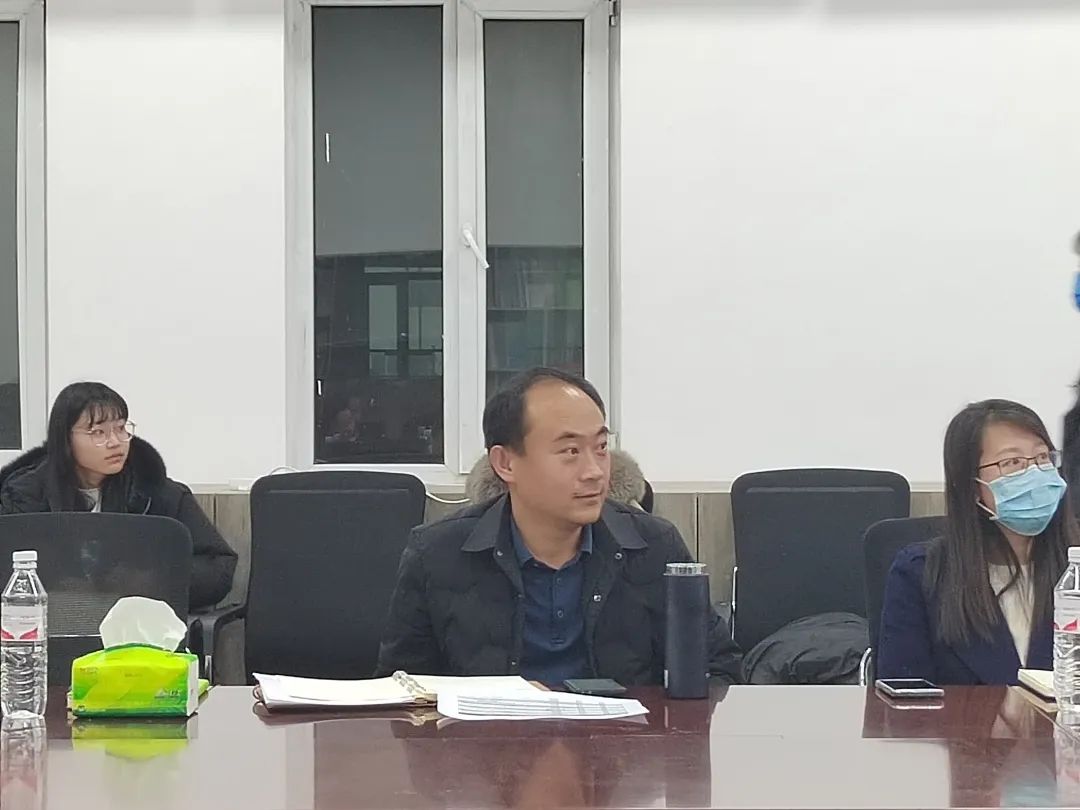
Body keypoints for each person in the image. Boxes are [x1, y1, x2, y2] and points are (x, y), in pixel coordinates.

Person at [375, 367, 741, 685]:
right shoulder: (437, 555)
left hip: (623, 742)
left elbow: (718, 670)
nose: (594, 471)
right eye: (570, 452)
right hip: (489, 743)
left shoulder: (654, 546)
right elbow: (403, 689)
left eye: (601, 448)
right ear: (505, 463)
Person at [877, 399, 1078, 685]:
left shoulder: (1074, 570)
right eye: (1013, 463)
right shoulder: (921, 574)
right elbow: (903, 698)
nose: (1035, 474)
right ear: (971, 485)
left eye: (1042, 458)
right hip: (959, 717)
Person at [0, 381, 238, 609]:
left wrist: (151, 582)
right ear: (65, 440)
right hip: (48, 623)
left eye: (121, 428)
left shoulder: (156, 493)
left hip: (137, 623)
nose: (115, 442)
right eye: (98, 432)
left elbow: (217, 566)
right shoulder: (23, 498)